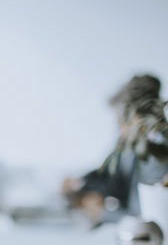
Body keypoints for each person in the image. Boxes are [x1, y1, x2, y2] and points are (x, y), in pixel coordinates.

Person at [66, 74, 168, 220]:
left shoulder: (157, 152)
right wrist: (80, 183)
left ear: (137, 118)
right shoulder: (130, 147)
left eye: (120, 122)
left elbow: (146, 217)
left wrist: (101, 213)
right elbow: (112, 177)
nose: (119, 130)